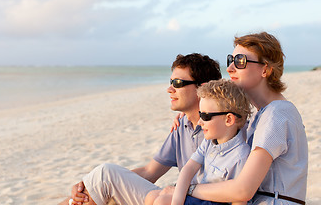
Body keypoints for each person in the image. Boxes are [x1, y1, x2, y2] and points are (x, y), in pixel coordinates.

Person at [60, 53, 222, 205]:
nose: (170, 89)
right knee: (99, 180)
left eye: (178, 83)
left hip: (193, 199)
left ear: (203, 88)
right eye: (170, 82)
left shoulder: (221, 126)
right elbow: (149, 172)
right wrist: (88, 183)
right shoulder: (181, 127)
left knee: (105, 174)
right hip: (176, 197)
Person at [169, 32, 308, 204]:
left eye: (240, 61)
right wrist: (189, 114)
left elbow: (243, 190)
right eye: (230, 60)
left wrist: (187, 188)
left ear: (265, 69)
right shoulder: (261, 113)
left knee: (163, 198)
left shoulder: (276, 114)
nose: (229, 68)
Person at [145, 79, 251, 205]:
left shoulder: (241, 155)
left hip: (217, 202)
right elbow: (188, 169)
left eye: (206, 117)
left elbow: (239, 198)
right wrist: (177, 201)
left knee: (162, 201)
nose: (200, 122)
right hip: (201, 197)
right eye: (200, 115)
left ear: (228, 119)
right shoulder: (209, 142)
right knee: (151, 196)